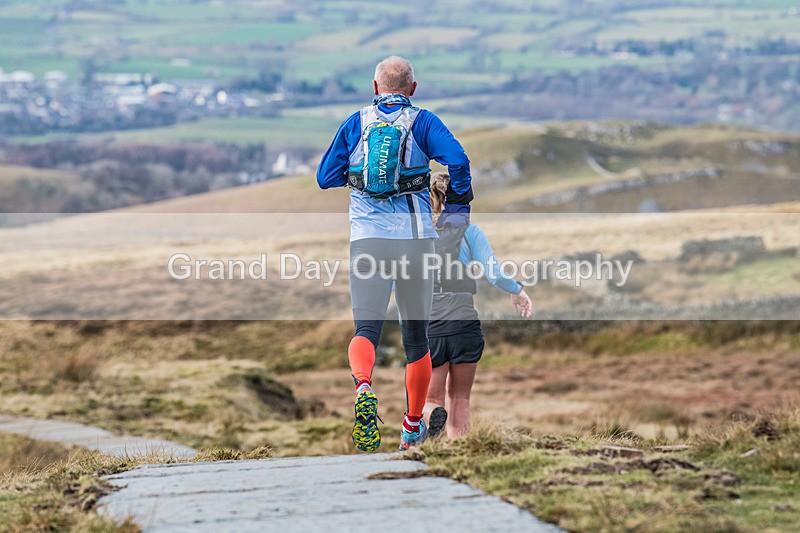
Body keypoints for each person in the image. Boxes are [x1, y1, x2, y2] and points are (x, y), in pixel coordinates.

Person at [316, 56, 474, 451]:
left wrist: (360, 179)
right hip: (416, 241)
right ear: (413, 88)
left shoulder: (356, 123)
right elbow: (458, 161)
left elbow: (324, 177)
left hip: (367, 240)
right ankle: (411, 426)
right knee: (417, 341)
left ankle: (364, 386)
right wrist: (456, 205)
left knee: (366, 330)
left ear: (374, 87)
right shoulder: (423, 122)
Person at [423, 172, 533, 439]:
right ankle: (460, 450)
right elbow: (494, 274)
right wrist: (518, 290)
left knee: (430, 400)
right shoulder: (470, 232)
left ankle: (429, 453)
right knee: (460, 399)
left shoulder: (416, 233)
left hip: (429, 328)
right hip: (465, 326)